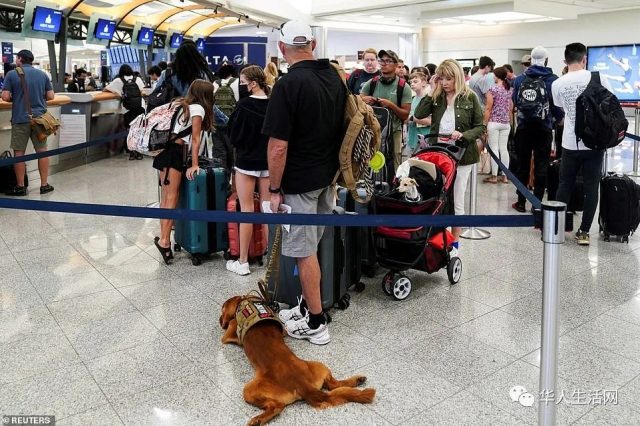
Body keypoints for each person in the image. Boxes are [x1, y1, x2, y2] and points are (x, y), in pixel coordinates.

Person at [262, 20, 347, 345]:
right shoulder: (334, 77)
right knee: (311, 247)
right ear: (312, 43)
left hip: (298, 183)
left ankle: (316, 322)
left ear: (282, 49)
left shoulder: (287, 84)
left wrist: (273, 188)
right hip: (328, 179)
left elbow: (278, 145)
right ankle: (305, 304)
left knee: (302, 252)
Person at [414, 59, 484, 257]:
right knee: (437, 196)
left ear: (458, 77)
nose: (444, 83)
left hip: (462, 156)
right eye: (441, 78)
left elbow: (480, 126)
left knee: (457, 200)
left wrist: (464, 135)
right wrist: (431, 90)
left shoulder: (470, 97)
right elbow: (419, 114)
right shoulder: (436, 97)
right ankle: (437, 239)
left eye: (448, 79)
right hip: (438, 154)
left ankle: (455, 246)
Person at [552, 43, 614, 246]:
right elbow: (611, 103)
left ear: (565, 61)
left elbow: (561, 106)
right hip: (594, 143)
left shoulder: (558, 83)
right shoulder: (599, 78)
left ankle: (557, 228)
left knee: (565, 184)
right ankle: (584, 232)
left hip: (570, 142)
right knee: (591, 186)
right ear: (584, 58)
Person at [152, 80, 216, 263]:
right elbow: (195, 140)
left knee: (166, 198)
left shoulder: (182, 104)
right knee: (172, 198)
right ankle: (164, 241)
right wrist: (194, 164)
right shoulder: (198, 109)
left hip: (164, 151)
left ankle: (164, 239)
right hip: (174, 154)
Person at [225, 65, 271, 276]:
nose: (241, 86)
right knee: (268, 211)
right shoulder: (274, 104)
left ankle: (243, 262)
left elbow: (233, 136)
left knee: (246, 211)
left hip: (246, 163)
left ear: (253, 84)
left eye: (243, 83)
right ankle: (272, 261)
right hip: (269, 163)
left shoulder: (243, 105)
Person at [511, 46, 564, 213]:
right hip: (544, 128)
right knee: (542, 166)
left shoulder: (519, 80)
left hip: (524, 128)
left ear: (531, 60)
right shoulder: (553, 79)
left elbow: (516, 102)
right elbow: (556, 105)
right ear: (547, 60)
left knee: (523, 165)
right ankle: (537, 203)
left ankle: (521, 201)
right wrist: (558, 119)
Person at [1, 49, 55, 196]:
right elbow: (51, 96)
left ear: (19, 59)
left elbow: (5, 97)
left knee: (19, 154)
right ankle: (44, 185)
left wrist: (16, 97)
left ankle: (20, 187)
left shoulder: (12, 74)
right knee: (42, 152)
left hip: (20, 119)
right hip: (40, 120)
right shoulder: (42, 74)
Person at [360, 49, 412, 169]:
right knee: (372, 165)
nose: (384, 64)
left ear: (395, 64)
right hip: (373, 132)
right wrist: (364, 99)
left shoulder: (403, 87)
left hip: (394, 132)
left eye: (388, 61)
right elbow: (358, 100)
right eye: (382, 61)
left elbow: (405, 115)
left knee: (394, 165)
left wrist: (391, 105)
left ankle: (394, 186)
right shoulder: (372, 83)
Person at [104, 64, 146, 160]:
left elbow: (105, 89)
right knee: (139, 129)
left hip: (127, 108)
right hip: (140, 106)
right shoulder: (138, 79)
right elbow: (142, 92)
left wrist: (115, 93)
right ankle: (139, 152)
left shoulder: (118, 80)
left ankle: (131, 152)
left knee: (130, 129)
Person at [483, 66, 512, 184]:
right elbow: (511, 107)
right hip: (506, 123)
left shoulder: (492, 89)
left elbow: (488, 108)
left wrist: (484, 124)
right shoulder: (510, 89)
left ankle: (494, 176)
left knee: (494, 149)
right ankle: (505, 176)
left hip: (494, 122)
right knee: (504, 149)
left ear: (497, 76)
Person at [405, 72, 432, 158]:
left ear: (424, 83)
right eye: (411, 82)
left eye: (415, 81)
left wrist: (412, 118)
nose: (412, 84)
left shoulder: (428, 100)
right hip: (411, 140)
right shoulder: (412, 100)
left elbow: (432, 121)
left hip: (426, 139)